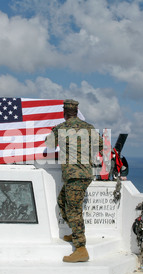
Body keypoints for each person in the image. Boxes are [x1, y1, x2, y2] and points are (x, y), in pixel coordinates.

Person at [45, 99, 103, 263]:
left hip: (74, 176)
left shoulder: (61, 128)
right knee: (63, 201)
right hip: (85, 175)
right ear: (76, 112)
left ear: (64, 113)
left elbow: (49, 144)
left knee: (73, 210)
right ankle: (74, 232)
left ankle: (80, 248)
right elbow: (100, 145)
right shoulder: (89, 128)